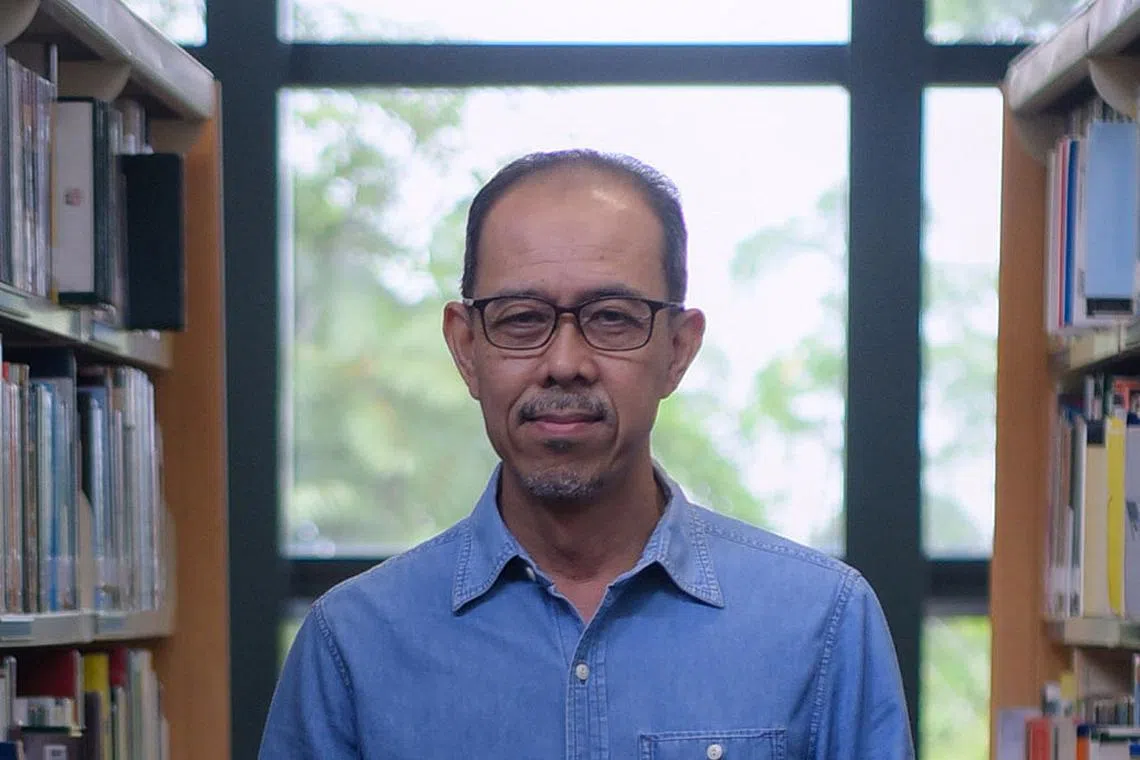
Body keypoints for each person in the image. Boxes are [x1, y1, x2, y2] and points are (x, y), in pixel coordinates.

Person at [259, 149, 915, 759]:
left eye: (611, 317)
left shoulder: (822, 623)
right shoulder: (353, 645)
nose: (565, 363)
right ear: (465, 348)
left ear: (678, 350)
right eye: (521, 318)